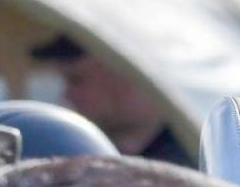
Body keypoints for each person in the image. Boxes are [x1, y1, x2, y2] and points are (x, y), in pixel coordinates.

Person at [30, 35, 194, 166]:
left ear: (129, 75)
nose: (67, 95)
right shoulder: (84, 163)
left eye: (77, 79)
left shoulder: (199, 162)